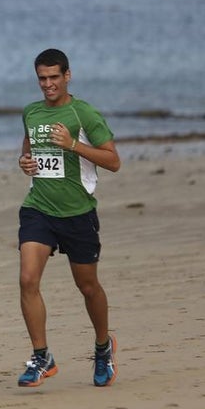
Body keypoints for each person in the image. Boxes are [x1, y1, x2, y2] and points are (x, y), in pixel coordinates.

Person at [15, 49, 122, 389]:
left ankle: (103, 347)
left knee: (87, 286)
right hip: (38, 208)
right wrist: (25, 161)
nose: (48, 84)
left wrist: (73, 144)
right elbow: (28, 149)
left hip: (78, 213)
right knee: (27, 280)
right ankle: (41, 356)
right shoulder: (31, 112)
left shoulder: (83, 113)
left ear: (67, 76)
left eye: (54, 77)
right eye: (42, 78)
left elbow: (113, 161)